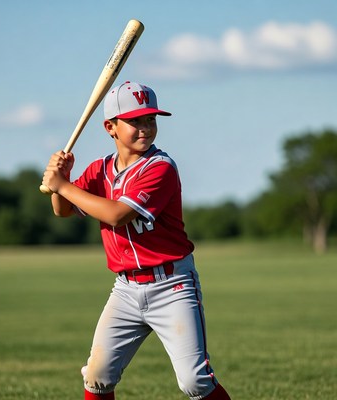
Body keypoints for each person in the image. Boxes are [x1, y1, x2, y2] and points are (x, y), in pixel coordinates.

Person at [42, 81, 231, 400]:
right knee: (97, 377)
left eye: (151, 120)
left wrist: (63, 185)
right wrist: (61, 181)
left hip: (172, 286)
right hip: (126, 289)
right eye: (135, 121)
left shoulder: (161, 168)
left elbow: (117, 214)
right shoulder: (99, 170)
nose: (145, 127)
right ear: (110, 127)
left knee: (194, 381)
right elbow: (63, 210)